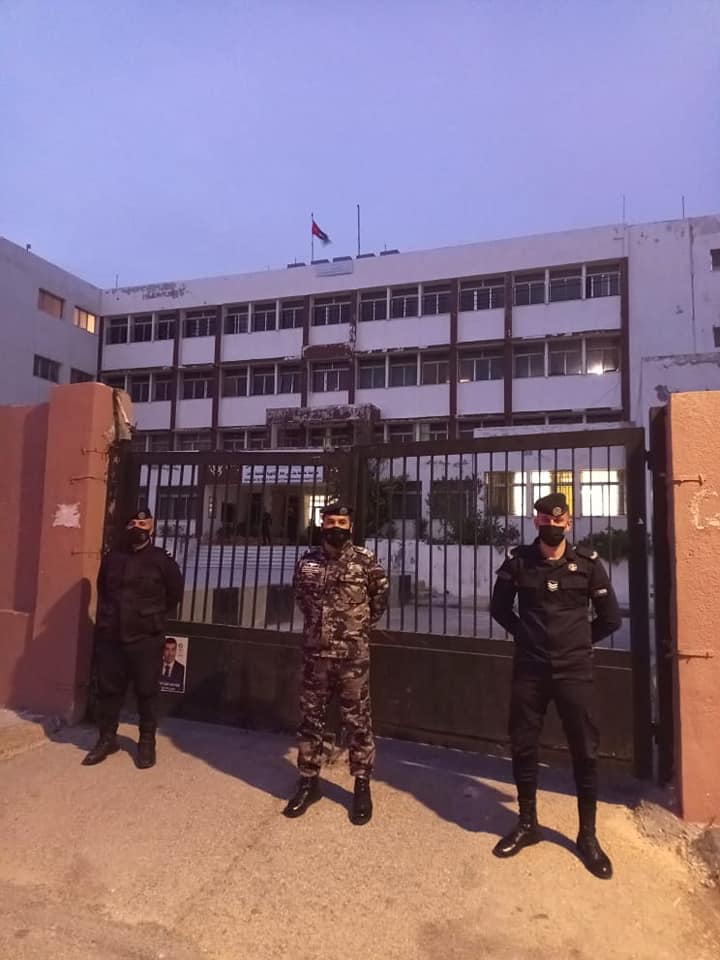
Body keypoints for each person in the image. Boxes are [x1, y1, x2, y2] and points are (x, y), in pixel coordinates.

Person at [490, 492, 622, 879]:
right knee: (523, 744)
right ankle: (527, 823)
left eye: (558, 521)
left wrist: (577, 642)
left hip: (574, 671)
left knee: (585, 750)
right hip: (530, 670)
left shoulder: (588, 564)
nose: (552, 527)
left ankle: (587, 835)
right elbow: (499, 609)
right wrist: (526, 636)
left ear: (569, 523)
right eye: (545, 521)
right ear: (536, 522)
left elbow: (610, 618)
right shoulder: (519, 561)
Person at [285, 503, 389, 825]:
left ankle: (361, 785)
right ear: (322, 524)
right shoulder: (307, 562)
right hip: (315, 655)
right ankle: (309, 782)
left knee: (357, 722)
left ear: (350, 526)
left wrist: (354, 629)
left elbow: (380, 599)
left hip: (352, 658)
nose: (336, 527)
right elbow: (301, 598)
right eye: (331, 522)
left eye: (342, 522)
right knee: (310, 720)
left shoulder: (366, 561)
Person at [83, 509, 184, 769]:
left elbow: (174, 594)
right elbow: (104, 589)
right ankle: (107, 739)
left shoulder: (162, 560)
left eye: (142, 523)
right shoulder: (112, 558)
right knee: (109, 691)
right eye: (132, 523)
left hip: (145, 637)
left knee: (147, 691)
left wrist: (150, 617)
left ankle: (146, 742)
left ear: (151, 528)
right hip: (112, 636)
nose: (137, 527)